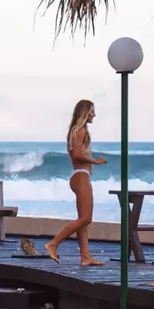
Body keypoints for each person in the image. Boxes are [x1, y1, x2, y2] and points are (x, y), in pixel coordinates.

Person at [44, 99, 107, 265]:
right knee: (86, 218)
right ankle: (53, 244)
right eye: (92, 111)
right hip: (80, 176)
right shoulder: (80, 131)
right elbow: (77, 155)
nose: (94, 114)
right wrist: (95, 162)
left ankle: (85, 257)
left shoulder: (78, 130)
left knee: (82, 220)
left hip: (79, 175)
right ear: (84, 112)